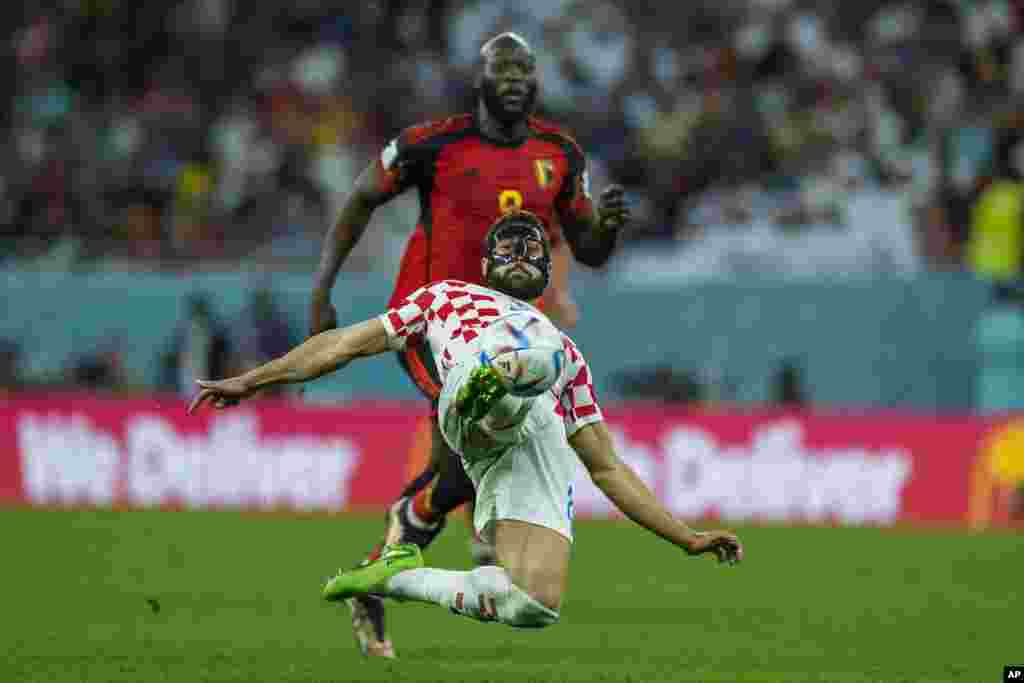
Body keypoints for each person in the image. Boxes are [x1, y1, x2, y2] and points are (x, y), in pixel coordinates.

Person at [190, 211, 742, 633]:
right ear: (484, 265)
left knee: (533, 605)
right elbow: (344, 344)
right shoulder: (445, 297)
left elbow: (607, 468)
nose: (521, 253)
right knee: (539, 356)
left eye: (533, 248)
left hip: (524, 436)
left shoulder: (571, 355)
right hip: (469, 395)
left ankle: (398, 574)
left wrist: (687, 537)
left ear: (546, 273)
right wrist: (253, 380)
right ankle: (497, 376)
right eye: (508, 245)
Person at [307, 32, 630, 656]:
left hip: (510, 332)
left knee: (457, 471)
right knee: (465, 455)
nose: (513, 79)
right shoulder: (432, 145)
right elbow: (361, 197)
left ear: (536, 83)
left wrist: (607, 231)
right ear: (478, 81)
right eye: (501, 70)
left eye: (523, 70)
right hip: (432, 321)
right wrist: (323, 287)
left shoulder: (559, 155)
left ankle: (392, 554)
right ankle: (435, 546)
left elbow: (588, 248)